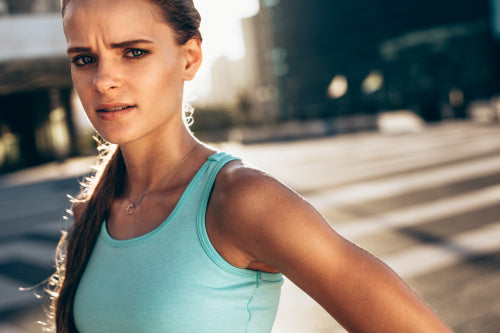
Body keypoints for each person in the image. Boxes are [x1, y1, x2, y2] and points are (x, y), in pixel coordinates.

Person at [48, 0, 454, 332]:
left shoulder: (242, 200)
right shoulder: (91, 212)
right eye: (84, 58)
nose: (103, 81)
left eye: (133, 52)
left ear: (190, 59)